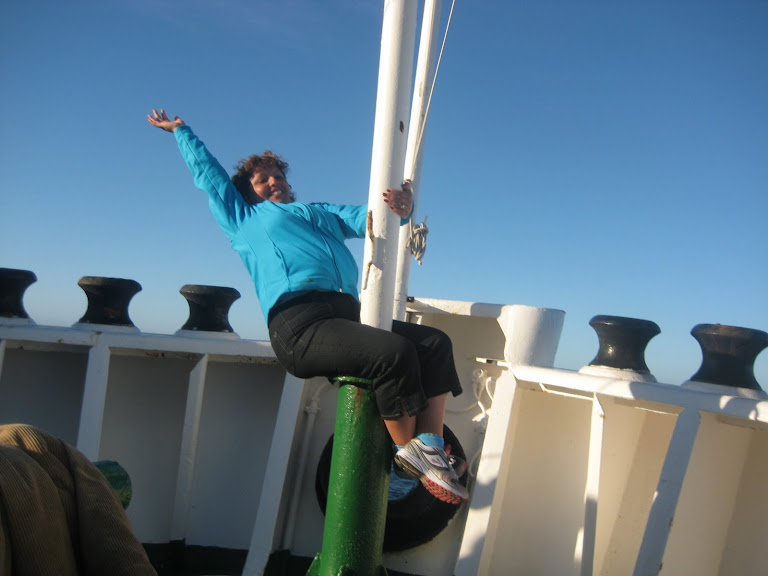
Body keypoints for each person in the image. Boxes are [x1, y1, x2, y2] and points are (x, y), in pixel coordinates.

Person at [147, 109, 468, 504]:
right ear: (247, 190)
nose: (273, 182)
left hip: (347, 316)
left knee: (434, 343)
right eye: (262, 179)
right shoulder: (243, 218)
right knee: (393, 353)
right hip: (299, 324)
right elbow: (209, 176)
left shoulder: (316, 213)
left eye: (278, 176)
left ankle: (430, 446)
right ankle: (412, 455)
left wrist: (404, 206)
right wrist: (182, 132)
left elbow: (374, 218)